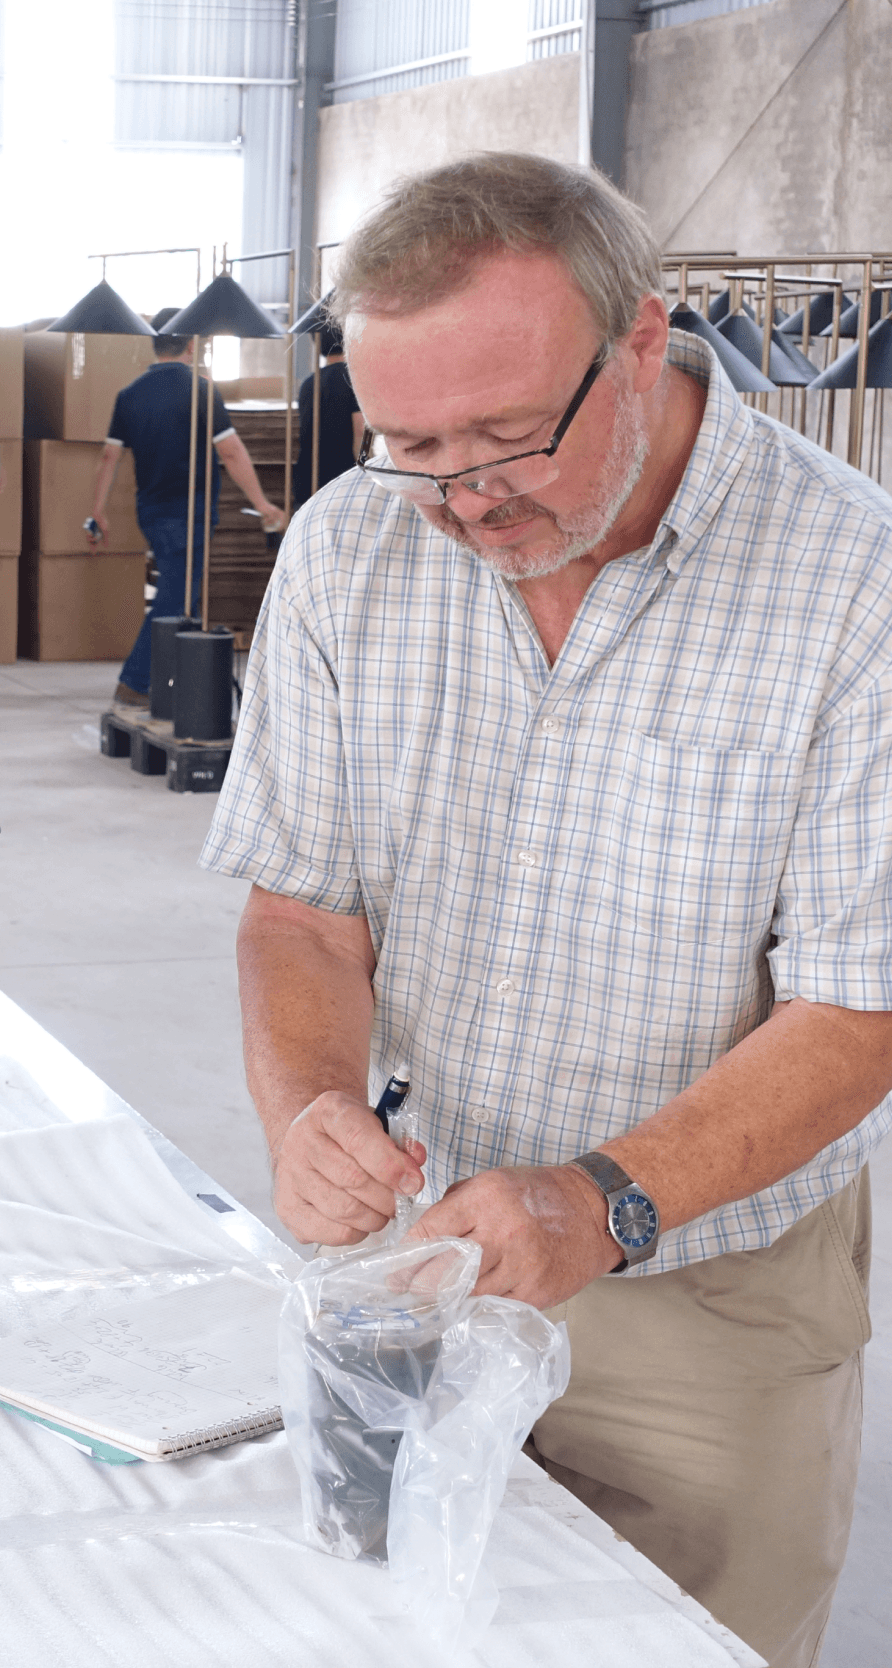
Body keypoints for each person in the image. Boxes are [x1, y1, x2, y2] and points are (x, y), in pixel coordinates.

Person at [201, 154, 892, 1667]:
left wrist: (605, 1203)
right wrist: (309, 1103)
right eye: (412, 443)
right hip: (416, 1248)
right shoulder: (348, 547)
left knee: (693, 1639)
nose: (465, 498)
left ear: (643, 341)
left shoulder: (856, 583)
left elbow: (861, 1004)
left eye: (510, 436)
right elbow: (304, 908)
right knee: (380, 1623)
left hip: (708, 1284)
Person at [88, 306, 284, 709]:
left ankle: (171, 683)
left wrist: (98, 512)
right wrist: (263, 503)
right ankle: (135, 683)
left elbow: (109, 459)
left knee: (186, 598)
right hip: (188, 513)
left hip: (152, 510)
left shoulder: (129, 395)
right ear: (192, 344)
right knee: (176, 599)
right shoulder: (201, 390)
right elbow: (230, 451)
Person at [291, 318, 363, 509]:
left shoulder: (308, 383)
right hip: (341, 481)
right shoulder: (353, 378)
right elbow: (360, 432)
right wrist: (366, 475)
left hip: (308, 478)